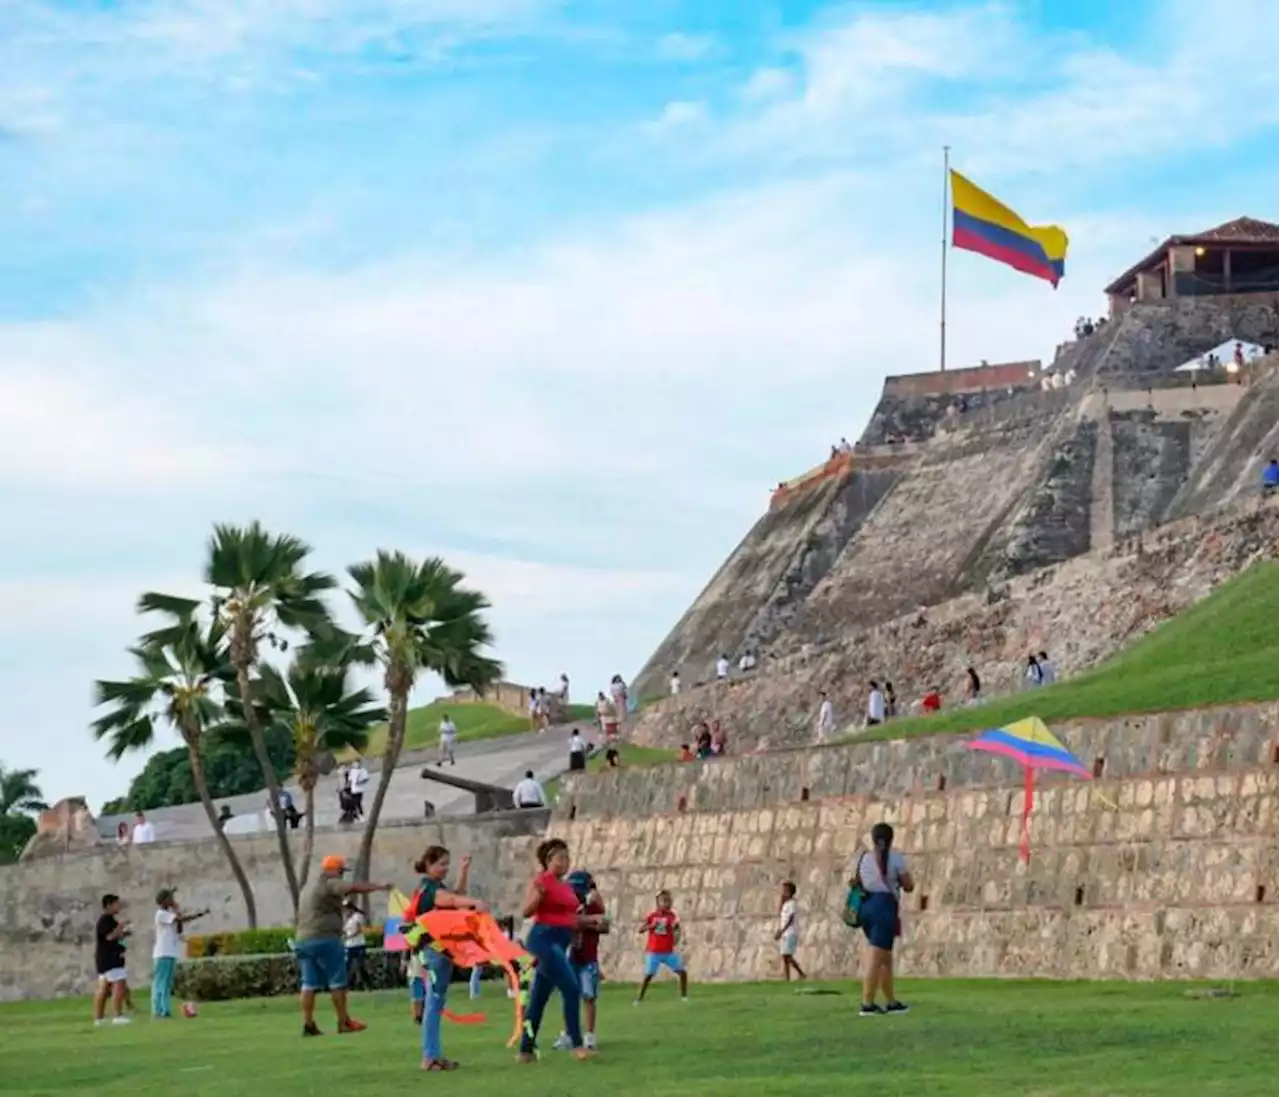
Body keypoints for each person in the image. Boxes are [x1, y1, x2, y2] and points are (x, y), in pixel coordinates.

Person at [517, 838, 609, 1062]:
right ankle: (577, 1045)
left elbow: (570, 919)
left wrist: (593, 920)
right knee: (571, 987)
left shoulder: (565, 887)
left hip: (560, 940)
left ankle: (525, 1050)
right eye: (560, 858)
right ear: (549, 860)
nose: (565, 862)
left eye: (567, 858)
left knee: (539, 997)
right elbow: (526, 912)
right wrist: (538, 895)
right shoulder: (542, 881)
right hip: (543, 940)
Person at [401, 845, 487, 1072]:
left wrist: (464, 870)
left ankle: (434, 1054)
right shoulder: (429, 888)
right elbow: (449, 900)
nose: (445, 869)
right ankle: (430, 1056)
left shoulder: (432, 887)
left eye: (447, 864)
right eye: (441, 864)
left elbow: (453, 895)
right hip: (435, 951)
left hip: (437, 951)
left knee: (435, 1003)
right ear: (429, 864)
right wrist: (473, 903)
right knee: (434, 1003)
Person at [294, 854, 391, 1038]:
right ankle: (343, 1022)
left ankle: (308, 1024)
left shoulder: (308, 887)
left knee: (309, 984)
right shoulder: (330, 882)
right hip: (325, 939)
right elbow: (352, 887)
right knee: (337, 982)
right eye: (340, 871)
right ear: (332, 870)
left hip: (303, 940)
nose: (341, 875)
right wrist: (379, 886)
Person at [853, 822, 914, 1016]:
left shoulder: (863, 858)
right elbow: (909, 885)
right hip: (884, 907)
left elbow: (857, 882)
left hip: (866, 907)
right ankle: (867, 1003)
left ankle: (891, 1001)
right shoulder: (895, 859)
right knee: (875, 959)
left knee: (885, 959)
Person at [555, 869, 609, 1051]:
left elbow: (604, 925)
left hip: (588, 958)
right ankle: (569, 1033)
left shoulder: (593, 907)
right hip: (570, 958)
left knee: (589, 996)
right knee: (569, 997)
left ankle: (590, 1035)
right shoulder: (566, 907)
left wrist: (590, 923)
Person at [152, 889, 206, 1019]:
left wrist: (177, 910)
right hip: (163, 952)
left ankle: (164, 1009)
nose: (173, 900)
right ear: (164, 900)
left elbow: (179, 926)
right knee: (161, 983)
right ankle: (160, 1010)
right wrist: (198, 914)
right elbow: (180, 919)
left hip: (170, 952)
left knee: (167, 983)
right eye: (170, 898)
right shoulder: (161, 914)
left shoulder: (170, 914)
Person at [635, 889, 688, 1002]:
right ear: (658, 903)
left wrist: (677, 932)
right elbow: (640, 930)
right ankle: (639, 999)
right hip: (654, 952)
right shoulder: (652, 916)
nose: (668, 904)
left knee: (682, 972)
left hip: (668, 952)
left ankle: (684, 997)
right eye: (665, 901)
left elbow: (676, 927)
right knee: (648, 976)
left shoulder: (671, 916)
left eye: (669, 901)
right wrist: (650, 926)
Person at [94, 894, 132, 1026]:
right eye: (117, 903)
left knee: (104, 988)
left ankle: (99, 1018)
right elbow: (109, 937)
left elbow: (115, 936)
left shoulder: (110, 920)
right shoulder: (106, 920)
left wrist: (124, 933)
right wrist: (120, 927)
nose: (119, 906)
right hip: (110, 959)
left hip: (107, 958)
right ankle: (118, 1015)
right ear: (109, 905)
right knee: (118, 985)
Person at [776, 881, 805, 982]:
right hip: (785, 933)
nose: (783, 892)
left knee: (787, 955)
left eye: (785, 890)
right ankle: (787, 978)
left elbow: (790, 919)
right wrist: (781, 901)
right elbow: (781, 914)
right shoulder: (786, 904)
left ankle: (801, 973)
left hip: (790, 932)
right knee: (785, 955)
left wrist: (782, 931)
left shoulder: (792, 903)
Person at [343, 901, 368, 990]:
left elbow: (359, 929)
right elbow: (345, 931)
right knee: (347, 966)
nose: (345, 911)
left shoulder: (357, 916)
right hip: (349, 945)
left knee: (360, 966)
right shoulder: (347, 919)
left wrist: (349, 936)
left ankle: (365, 984)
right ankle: (348, 985)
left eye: (346, 909)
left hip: (358, 944)